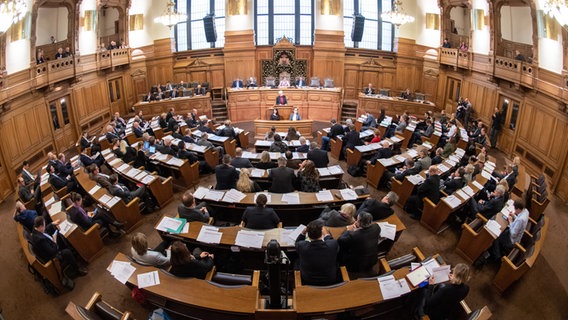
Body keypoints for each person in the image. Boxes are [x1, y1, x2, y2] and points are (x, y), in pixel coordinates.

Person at [295, 219, 339, 286]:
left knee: (296, 262)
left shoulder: (302, 246)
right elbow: (330, 240)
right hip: (330, 280)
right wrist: (326, 234)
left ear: (308, 235)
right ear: (321, 233)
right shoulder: (332, 245)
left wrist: (303, 233)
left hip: (308, 281)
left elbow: (297, 242)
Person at [337, 212, 381, 277]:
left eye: (357, 219)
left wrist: (348, 230)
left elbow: (340, 241)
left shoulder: (353, 235)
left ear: (359, 222)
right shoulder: (377, 227)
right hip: (372, 259)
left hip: (356, 265)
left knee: (340, 249)